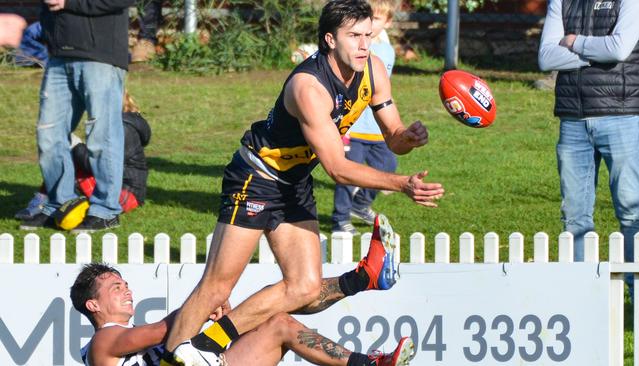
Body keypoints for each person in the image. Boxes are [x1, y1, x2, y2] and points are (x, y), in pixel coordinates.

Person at [163, 1, 445, 364]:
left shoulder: (374, 70)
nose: (364, 45)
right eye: (354, 36)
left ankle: (206, 345)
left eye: (368, 35)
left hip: (293, 180)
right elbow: (338, 169)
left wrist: (410, 136)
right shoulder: (308, 87)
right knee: (218, 285)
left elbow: (393, 136)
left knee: (305, 287)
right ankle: (168, 357)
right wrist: (402, 184)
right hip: (256, 176)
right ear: (330, 39)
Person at [71, 263, 415, 366]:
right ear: (93, 305)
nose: (127, 289)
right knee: (265, 298)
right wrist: (204, 306)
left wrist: (208, 312)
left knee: (280, 322)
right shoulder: (102, 342)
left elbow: (175, 334)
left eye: (125, 283)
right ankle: (360, 278)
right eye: (115, 287)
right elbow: (161, 331)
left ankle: (368, 363)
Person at [538, 0, 639, 289]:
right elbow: (547, 57)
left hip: (622, 115)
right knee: (574, 218)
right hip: (573, 119)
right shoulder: (560, 1)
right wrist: (600, 52)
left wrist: (574, 42)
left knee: (630, 211)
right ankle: (581, 297)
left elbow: (621, 49)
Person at [19, 0, 134, 232]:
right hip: (59, 56)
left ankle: (105, 210)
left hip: (100, 54)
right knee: (49, 135)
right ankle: (60, 204)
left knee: (102, 134)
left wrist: (68, 2)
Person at [18, 90, 151, 229]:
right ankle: (49, 202)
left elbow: (99, 164)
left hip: (126, 192)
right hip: (110, 183)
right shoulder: (114, 122)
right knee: (62, 158)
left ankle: (47, 201)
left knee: (71, 161)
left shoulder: (123, 129)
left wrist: (75, 145)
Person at [332, 0, 398, 235]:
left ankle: (360, 205)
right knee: (347, 174)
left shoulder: (388, 52)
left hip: (378, 129)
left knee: (388, 167)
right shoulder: (351, 48)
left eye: (378, 19)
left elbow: (382, 92)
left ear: (388, 23)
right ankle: (340, 219)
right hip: (354, 129)